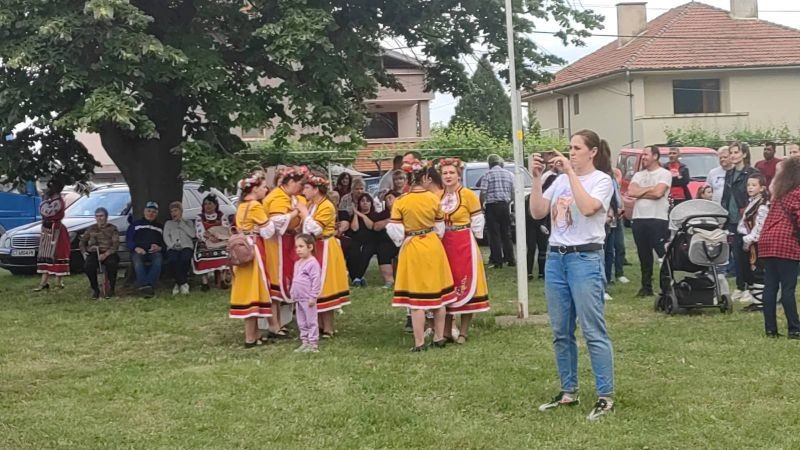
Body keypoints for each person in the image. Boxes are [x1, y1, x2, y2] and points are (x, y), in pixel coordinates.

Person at [529, 129, 615, 421]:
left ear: (593, 152)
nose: (571, 153)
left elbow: (589, 208)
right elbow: (537, 212)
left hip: (585, 258)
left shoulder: (602, 180)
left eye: (577, 148)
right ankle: (568, 392)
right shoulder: (560, 180)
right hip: (556, 258)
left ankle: (605, 396)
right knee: (561, 331)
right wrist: (537, 178)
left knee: (593, 331)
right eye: (570, 148)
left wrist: (569, 172)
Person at [387, 158, 456, 352]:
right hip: (433, 244)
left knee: (416, 299)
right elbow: (440, 228)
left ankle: (419, 342)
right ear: (425, 177)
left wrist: (403, 240)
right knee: (438, 293)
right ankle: (439, 337)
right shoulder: (433, 198)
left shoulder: (402, 201)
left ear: (408, 179)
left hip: (413, 246)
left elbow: (395, 230)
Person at [436, 158, 490, 344]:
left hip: (463, 241)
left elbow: (477, 219)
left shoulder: (468, 195)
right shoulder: (437, 196)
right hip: (443, 242)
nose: (448, 176)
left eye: (451, 172)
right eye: (445, 173)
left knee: (466, 280)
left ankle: (464, 332)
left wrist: (477, 237)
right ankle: (445, 330)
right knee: (447, 283)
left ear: (458, 175)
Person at [298, 174, 350, 339]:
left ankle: (328, 327)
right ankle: (319, 324)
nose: (304, 191)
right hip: (315, 247)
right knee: (314, 283)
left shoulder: (326, 206)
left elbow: (316, 229)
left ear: (316, 189)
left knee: (325, 285)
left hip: (326, 246)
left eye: (307, 188)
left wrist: (304, 213)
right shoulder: (312, 204)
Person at [757, 157, 800, 339]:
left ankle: (770, 329)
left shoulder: (779, 193)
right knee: (788, 288)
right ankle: (794, 328)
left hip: (767, 241)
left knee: (770, 287)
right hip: (785, 242)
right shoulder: (797, 192)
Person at [229, 173, 274, 347]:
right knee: (254, 291)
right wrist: (263, 226)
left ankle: (255, 334)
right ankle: (250, 337)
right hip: (252, 250)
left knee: (247, 290)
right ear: (254, 189)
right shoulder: (255, 205)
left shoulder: (241, 206)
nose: (266, 189)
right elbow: (269, 230)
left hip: (242, 248)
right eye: (263, 187)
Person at [263, 166, 307, 338]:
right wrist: (296, 212)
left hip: (286, 242)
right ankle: (274, 325)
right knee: (275, 282)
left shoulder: (288, 196)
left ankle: (280, 322)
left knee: (283, 281)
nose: (301, 188)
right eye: (300, 184)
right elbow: (277, 221)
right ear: (291, 182)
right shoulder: (277, 197)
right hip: (275, 244)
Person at [628, 145, 672, 298]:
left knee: (662, 253)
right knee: (643, 254)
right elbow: (631, 191)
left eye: (646, 154)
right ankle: (646, 286)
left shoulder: (665, 174)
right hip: (639, 218)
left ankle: (666, 286)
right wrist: (650, 189)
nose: (643, 157)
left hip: (657, 218)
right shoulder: (638, 175)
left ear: (655, 156)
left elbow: (658, 193)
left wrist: (641, 191)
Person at [722, 142, 759, 299]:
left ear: (744, 154)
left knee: (748, 254)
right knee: (736, 254)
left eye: (736, 152)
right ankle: (740, 285)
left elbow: (756, 194)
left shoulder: (751, 173)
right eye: (731, 152)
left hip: (746, 218)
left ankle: (751, 286)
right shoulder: (729, 173)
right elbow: (726, 195)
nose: (733, 155)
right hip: (731, 218)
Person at [346, 192, 394, 288]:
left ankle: (358, 277)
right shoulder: (354, 216)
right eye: (362, 201)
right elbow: (354, 228)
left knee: (366, 251)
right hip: (357, 240)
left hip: (371, 241)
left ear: (371, 203)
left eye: (367, 201)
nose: (365, 203)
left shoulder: (375, 215)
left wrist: (361, 215)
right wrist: (355, 214)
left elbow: (371, 226)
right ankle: (356, 277)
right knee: (352, 252)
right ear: (359, 203)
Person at [738, 173, 769, 311]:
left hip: (756, 243)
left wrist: (748, 239)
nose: (750, 188)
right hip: (748, 240)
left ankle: (760, 302)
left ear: (762, 188)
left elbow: (760, 227)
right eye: (748, 185)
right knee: (750, 271)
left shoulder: (763, 205)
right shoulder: (752, 202)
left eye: (754, 185)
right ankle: (755, 300)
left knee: (758, 270)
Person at [524, 153, 559, 280]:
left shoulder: (555, 178)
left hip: (543, 218)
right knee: (532, 246)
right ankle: (530, 272)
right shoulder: (549, 177)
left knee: (541, 246)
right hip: (535, 219)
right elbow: (535, 209)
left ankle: (541, 272)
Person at [480, 154, 516, 269]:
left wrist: (482, 205)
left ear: (489, 164)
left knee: (494, 234)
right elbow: (513, 192)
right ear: (501, 163)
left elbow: (483, 192)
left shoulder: (487, 174)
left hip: (492, 206)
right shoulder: (509, 174)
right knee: (506, 233)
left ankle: (497, 261)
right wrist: (510, 203)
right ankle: (510, 259)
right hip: (505, 206)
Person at [34, 179, 70, 291]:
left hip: (56, 231)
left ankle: (59, 282)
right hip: (48, 230)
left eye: (50, 188)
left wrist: (44, 201)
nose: (47, 190)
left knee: (57, 254)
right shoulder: (51, 201)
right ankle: (44, 282)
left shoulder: (58, 202)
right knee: (46, 253)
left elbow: (47, 212)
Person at [291, 233, 323, 353]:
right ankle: (305, 342)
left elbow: (316, 281)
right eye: (296, 247)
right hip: (299, 298)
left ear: (310, 247)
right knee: (301, 321)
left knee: (311, 321)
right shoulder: (297, 263)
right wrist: (293, 293)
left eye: (301, 246)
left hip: (308, 298)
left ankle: (313, 343)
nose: (298, 250)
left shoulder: (313, 263)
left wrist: (313, 297)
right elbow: (295, 279)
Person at [79, 207, 120, 299]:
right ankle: (95, 289)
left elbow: (115, 245)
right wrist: (84, 252)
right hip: (94, 252)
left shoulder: (112, 229)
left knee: (112, 264)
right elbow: (82, 242)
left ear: (106, 217)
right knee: (88, 266)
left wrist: (105, 254)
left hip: (109, 253)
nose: (99, 218)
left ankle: (111, 289)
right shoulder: (91, 229)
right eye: (97, 216)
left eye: (101, 216)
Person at [193, 194, 231, 291]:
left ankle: (222, 279)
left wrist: (219, 238)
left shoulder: (222, 216)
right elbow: (199, 232)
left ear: (215, 205)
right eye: (205, 204)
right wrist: (209, 238)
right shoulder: (200, 217)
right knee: (201, 254)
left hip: (221, 240)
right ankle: (205, 282)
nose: (207, 206)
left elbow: (226, 229)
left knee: (226, 251)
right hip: (205, 240)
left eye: (210, 203)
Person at [129, 201, 165, 298]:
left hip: (154, 252)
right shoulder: (136, 225)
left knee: (158, 261)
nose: (151, 214)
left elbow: (165, 243)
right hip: (139, 251)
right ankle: (147, 287)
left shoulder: (160, 227)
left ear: (156, 214)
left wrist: (159, 247)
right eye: (149, 211)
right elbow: (129, 239)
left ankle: (145, 286)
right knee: (138, 262)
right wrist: (135, 247)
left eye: (153, 212)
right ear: (144, 212)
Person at [163, 201, 195, 295]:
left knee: (185, 259)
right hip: (173, 247)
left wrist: (181, 224)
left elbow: (192, 234)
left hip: (186, 246)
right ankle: (183, 283)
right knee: (173, 260)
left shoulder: (188, 222)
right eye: (172, 211)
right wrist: (172, 245)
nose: (173, 213)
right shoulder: (168, 223)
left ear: (181, 211)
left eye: (175, 210)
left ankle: (178, 283)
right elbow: (166, 236)